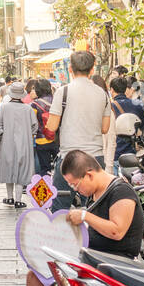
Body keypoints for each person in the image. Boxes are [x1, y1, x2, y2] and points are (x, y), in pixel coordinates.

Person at [9, 149, 144, 286]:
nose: (75, 189)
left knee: (62, 280)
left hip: (114, 264)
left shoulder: (121, 192)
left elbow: (117, 231)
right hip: (91, 258)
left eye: (75, 184)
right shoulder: (95, 192)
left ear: (89, 174)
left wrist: (85, 215)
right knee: (35, 276)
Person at [48, 51, 112, 209]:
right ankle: (91, 234)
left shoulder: (62, 92)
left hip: (68, 159)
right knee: (94, 208)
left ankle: (61, 233)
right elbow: (105, 128)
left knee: (59, 209)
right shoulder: (103, 95)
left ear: (70, 69)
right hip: (95, 159)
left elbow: (51, 126)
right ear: (92, 70)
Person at [0, 81, 38, 206]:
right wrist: (29, 134)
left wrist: (0, 135)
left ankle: (10, 197)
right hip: (24, 143)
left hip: (7, 143)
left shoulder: (4, 107)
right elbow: (35, 126)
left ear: (10, 94)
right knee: (22, 170)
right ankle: (18, 200)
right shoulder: (28, 109)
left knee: (9, 168)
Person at [109, 75, 144, 162]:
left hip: (115, 153)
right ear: (125, 88)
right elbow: (143, 126)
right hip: (134, 153)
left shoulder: (110, 107)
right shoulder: (138, 105)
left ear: (112, 90)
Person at [29, 77, 58, 177]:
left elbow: (32, 123)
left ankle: (46, 189)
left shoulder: (34, 104)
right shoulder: (56, 101)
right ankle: (59, 188)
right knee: (60, 167)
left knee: (45, 169)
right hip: (57, 140)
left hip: (41, 141)